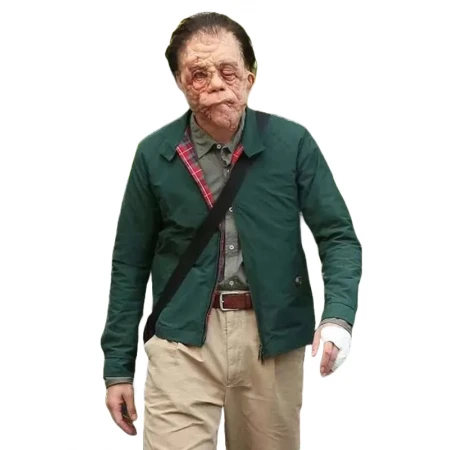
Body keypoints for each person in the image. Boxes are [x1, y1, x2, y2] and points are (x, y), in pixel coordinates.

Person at [101, 11, 362, 450]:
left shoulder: (292, 144)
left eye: (228, 71)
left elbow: (338, 236)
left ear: (250, 77)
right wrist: (117, 368)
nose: (216, 85)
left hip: (272, 337)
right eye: (198, 74)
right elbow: (129, 263)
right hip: (181, 339)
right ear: (180, 83)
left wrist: (338, 317)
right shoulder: (155, 154)